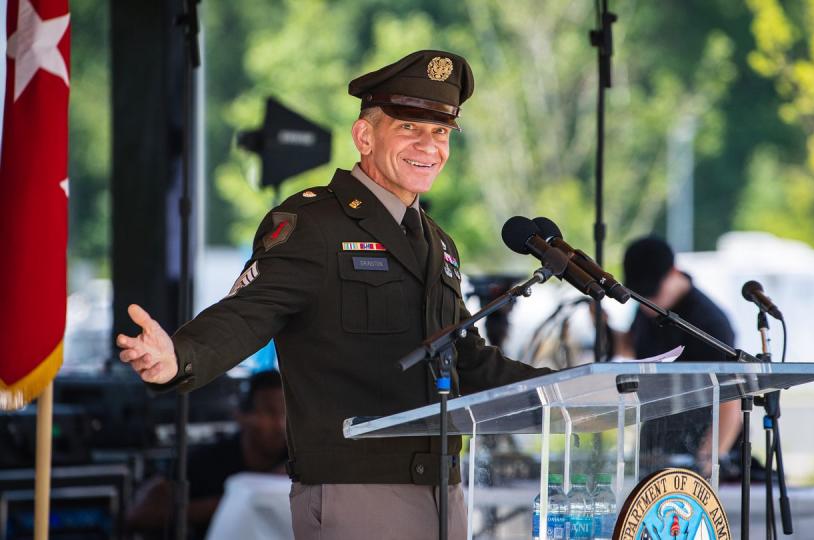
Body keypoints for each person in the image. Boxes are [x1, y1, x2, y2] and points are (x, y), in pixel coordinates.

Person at [116, 50, 550, 539]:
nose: (430, 145)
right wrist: (178, 355)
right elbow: (249, 311)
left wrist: (570, 393)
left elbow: (465, 361)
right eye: (410, 127)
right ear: (364, 136)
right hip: (356, 492)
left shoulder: (438, 241)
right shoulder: (315, 225)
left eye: (442, 131)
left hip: (445, 491)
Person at [617, 236, 743, 479]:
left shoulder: (709, 322)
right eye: (640, 296)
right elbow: (635, 348)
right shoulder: (648, 307)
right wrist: (601, 328)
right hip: (656, 446)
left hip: (700, 451)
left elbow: (730, 400)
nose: (647, 304)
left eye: (653, 293)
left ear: (674, 273)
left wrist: (707, 463)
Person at [125, 370, 287, 538]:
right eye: (270, 412)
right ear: (241, 416)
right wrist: (230, 504)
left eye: (287, 413)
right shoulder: (209, 460)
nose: (281, 424)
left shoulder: (298, 458)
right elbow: (138, 515)